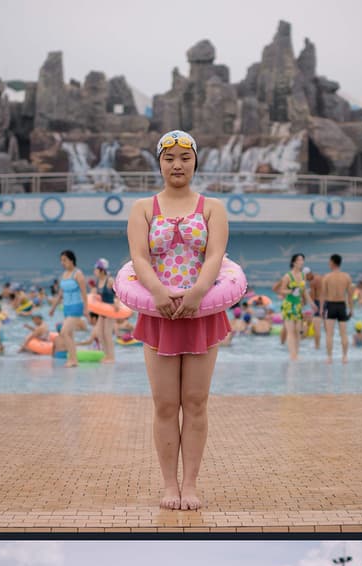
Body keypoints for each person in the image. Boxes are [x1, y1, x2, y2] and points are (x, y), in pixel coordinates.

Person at [127, 130, 230, 512]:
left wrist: (198, 293)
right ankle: (169, 485)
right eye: (169, 158)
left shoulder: (212, 208)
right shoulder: (143, 208)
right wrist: (156, 292)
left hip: (202, 312)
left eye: (184, 158)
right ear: (159, 162)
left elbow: (216, 255)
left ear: (195, 162)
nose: (177, 165)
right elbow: (138, 257)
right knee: (166, 404)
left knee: (196, 402)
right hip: (159, 314)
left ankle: (191, 484)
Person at [49, 250, 88, 367]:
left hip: (76, 306)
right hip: (66, 307)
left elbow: (84, 293)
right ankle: (72, 359)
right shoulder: (64, 275)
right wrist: (53, 308)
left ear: (71, 260)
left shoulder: (78, 274)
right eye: (61, 260)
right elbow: (60, 294)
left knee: (64, 332)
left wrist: (86, 309)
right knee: (70, 334)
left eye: (64, 260)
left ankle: (74, 360)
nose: (62, 263)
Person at [275, 253, 309, 360]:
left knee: (298, 331)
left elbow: (303, 291)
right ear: (294, 262)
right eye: (299, 260)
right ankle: (292, 354)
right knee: (290, 331)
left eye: (302, 260)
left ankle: (297, 353)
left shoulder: (303, 276)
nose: (301, 262)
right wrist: (291, 290)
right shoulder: (287, 276)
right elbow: (281, 290)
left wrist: (305, 300)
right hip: (288, 304)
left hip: (298, 304)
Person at [321, 254, 353, 363]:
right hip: (341, 306)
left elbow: (323, 295)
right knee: (343, 333)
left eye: (329, 262)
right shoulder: (346, 277)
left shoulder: (327, 277)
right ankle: (345, 357)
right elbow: (349, 295)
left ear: (333, 262)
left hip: (331, 306)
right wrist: (351, 309)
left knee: (329, 334)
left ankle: (329, 357)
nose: (328, 264)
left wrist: (321, 309)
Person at [93, 258, 117, 364]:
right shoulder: (98, 281)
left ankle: (111, 357)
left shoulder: (109, 280)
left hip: (110, 309)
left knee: (107, 334)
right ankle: (106, 355)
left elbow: (118, 293)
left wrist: (117, 303)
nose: (94, 271)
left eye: (96, 269)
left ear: (102, 270)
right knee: (100, 334)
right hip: (102, 311)